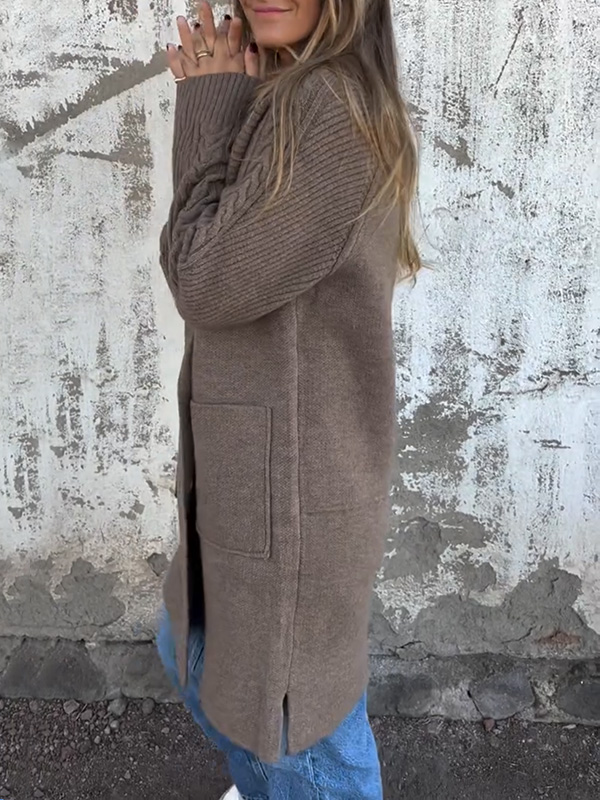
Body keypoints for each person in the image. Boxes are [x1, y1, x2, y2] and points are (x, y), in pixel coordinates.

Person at [157, 1, 421, 797]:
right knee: (195, 654)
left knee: (303, 738)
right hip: (262, 487)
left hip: (294, 503)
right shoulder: (292, 93)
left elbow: (203, 279)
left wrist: (206, 102)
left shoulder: (327, 109)